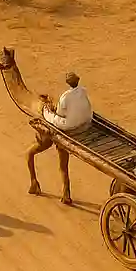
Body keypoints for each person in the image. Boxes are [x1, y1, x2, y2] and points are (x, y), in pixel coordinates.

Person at [27, 72, 92, 205]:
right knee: (63, 165)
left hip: (66, 127)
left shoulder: (65, 96)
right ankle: (66, 193)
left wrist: (48, 110)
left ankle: (34, 182)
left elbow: (60, 114)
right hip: (84, 124)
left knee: (29, 152)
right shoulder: (83, 91)